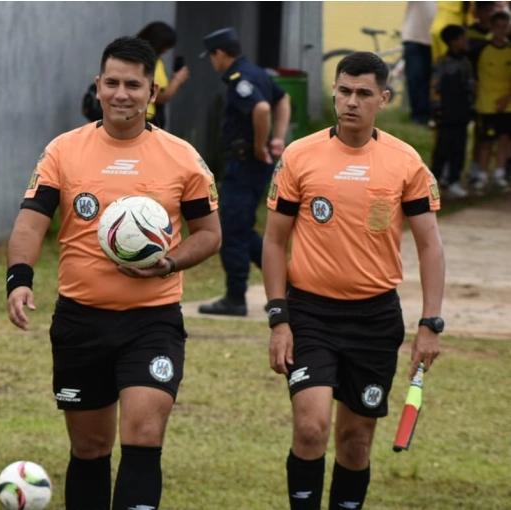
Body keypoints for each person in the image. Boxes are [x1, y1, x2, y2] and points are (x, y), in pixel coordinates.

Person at [6, 36, 220, 510]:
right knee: (90, 447)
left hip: (152, 321)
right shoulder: (63, 151)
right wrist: (18, 279)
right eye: (113, 83)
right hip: (81, 320)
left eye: (134, 85)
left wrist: (169, 263)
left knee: (144, 432)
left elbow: (209, 234)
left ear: (152, 92)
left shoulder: (182, 156)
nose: (122, 94)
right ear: (98, 85)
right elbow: (30, 222)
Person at [263, 51, 444, 510]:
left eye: (364, 93)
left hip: (374, 319)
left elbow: (430, 245)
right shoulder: (300, 155)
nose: (351, 101)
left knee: (355, 441)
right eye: (344, 90)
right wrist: (279, 319)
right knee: (310, 427)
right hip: (310, 313)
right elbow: (274, 241)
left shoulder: (405, 161)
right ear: (334, 92)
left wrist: (430, 323)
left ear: (383, 99)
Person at [197, 27, 291, 317]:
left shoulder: (241, 79)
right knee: (242, 229)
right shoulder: (257, 72)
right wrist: (278, 138)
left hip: (245, 164)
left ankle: (235, 297)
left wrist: (261, 146)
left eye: (211, 56)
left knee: (232, 231)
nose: (212, 62)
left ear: (220, 53)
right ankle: (288, 288)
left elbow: (262, 109)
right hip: (252, 166)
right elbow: (283, 99)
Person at [431, 25, 474, 198]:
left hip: (462, 112)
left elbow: (470, 86)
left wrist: (471, 106)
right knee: (442, 148)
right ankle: (434, 180)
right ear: (453, 41)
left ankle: (454, 180)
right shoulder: (442, 63)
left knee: (459, 147)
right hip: (446, 113)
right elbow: (434, 88)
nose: (466, 41)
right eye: (463, 38)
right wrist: (437, 110)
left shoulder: (466, 62)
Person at [471, 9, 511, 191]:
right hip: (486, 104)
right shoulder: (480, 50)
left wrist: (506, 99)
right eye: (499, 27)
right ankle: (482, 176)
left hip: (507, 104)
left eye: (505, 27)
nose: (502, 31)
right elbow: (472, 76)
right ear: (492, 28)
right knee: (486, 141)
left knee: (504, 139)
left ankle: (500, 175)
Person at [136, 21, 190, 129]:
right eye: (166, 46)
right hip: (143, 119)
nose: (166, 50)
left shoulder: (157, 60)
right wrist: (177, 80)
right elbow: (158, 96)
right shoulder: (140, 61)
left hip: (155, 119)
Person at [401, 0, 437, 125]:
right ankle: (418, 116)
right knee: (415, 77)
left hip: (436, 41)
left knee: (432, 80)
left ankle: (431, 115)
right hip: (414, 38)